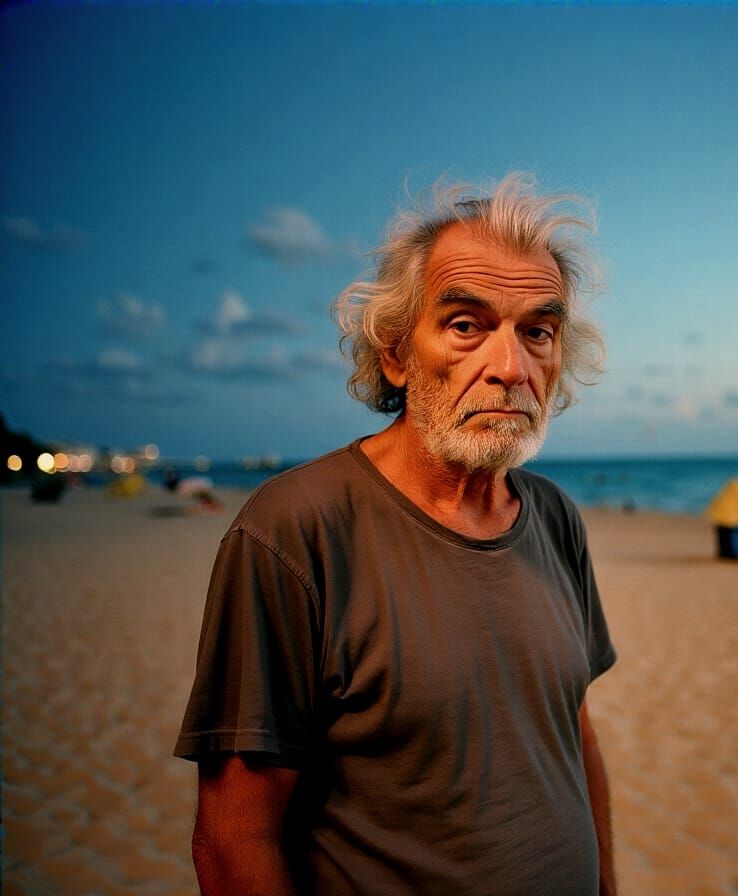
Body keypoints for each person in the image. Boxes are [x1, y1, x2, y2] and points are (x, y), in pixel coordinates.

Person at [174, 174, 617, 895]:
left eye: (538, 331)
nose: (511, 368)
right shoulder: (293, 531)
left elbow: (573, 734)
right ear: (395, 354)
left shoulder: (556, 517)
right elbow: (233, 837)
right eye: (466, 325)